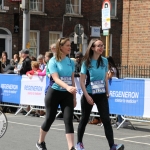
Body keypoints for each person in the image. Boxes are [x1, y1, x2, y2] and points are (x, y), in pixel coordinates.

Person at [75, 39, 124, 150]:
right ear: (92, 48)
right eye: (99, 46)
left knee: (106, 120)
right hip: (89, 94)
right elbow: (82, 81)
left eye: (102, 45)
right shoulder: (86, 62)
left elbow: (105, 77)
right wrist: (87, 96)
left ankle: (112, 146)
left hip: (101, 94)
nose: (101, 47)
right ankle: (79, 143)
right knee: (84, 119)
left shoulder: (105, 61)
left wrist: (107, 91)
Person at [36, 37, 77, 150]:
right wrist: (68, 87)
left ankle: (71, 147)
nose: (70, 47)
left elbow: (72, 79)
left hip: (67, 94)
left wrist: (74, 97)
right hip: (54, 92)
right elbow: (56, 78)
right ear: (61, 47)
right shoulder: (52, 61)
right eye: (67, 45)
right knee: (49, 118)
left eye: (70, 45)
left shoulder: (70, 62)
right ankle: (40, 142)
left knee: (68, 120)